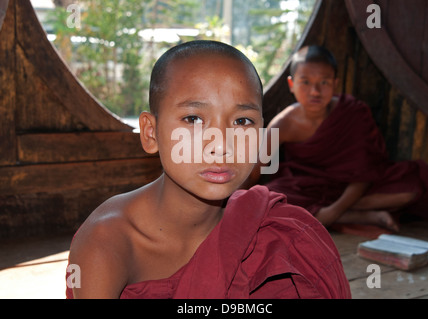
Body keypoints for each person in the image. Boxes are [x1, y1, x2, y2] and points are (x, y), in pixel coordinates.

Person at [65, 41, 351, 299]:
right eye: (193, 119)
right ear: (151, 133)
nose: (221, 144)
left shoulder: (276, 231)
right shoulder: (108, 240)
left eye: (242, 122)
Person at [250, 45, 428, 232]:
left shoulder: (352, 112)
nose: (315, 91)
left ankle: (335, 213)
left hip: (356, 189)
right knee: (270, 197)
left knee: (414, 186)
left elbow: (365, 172)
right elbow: (256, 169)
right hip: (307, 188)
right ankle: (363, 216)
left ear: (336, 84)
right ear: (291, 84)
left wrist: (333, 212)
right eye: (306, 82)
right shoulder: (283, 124)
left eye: (324, 82)